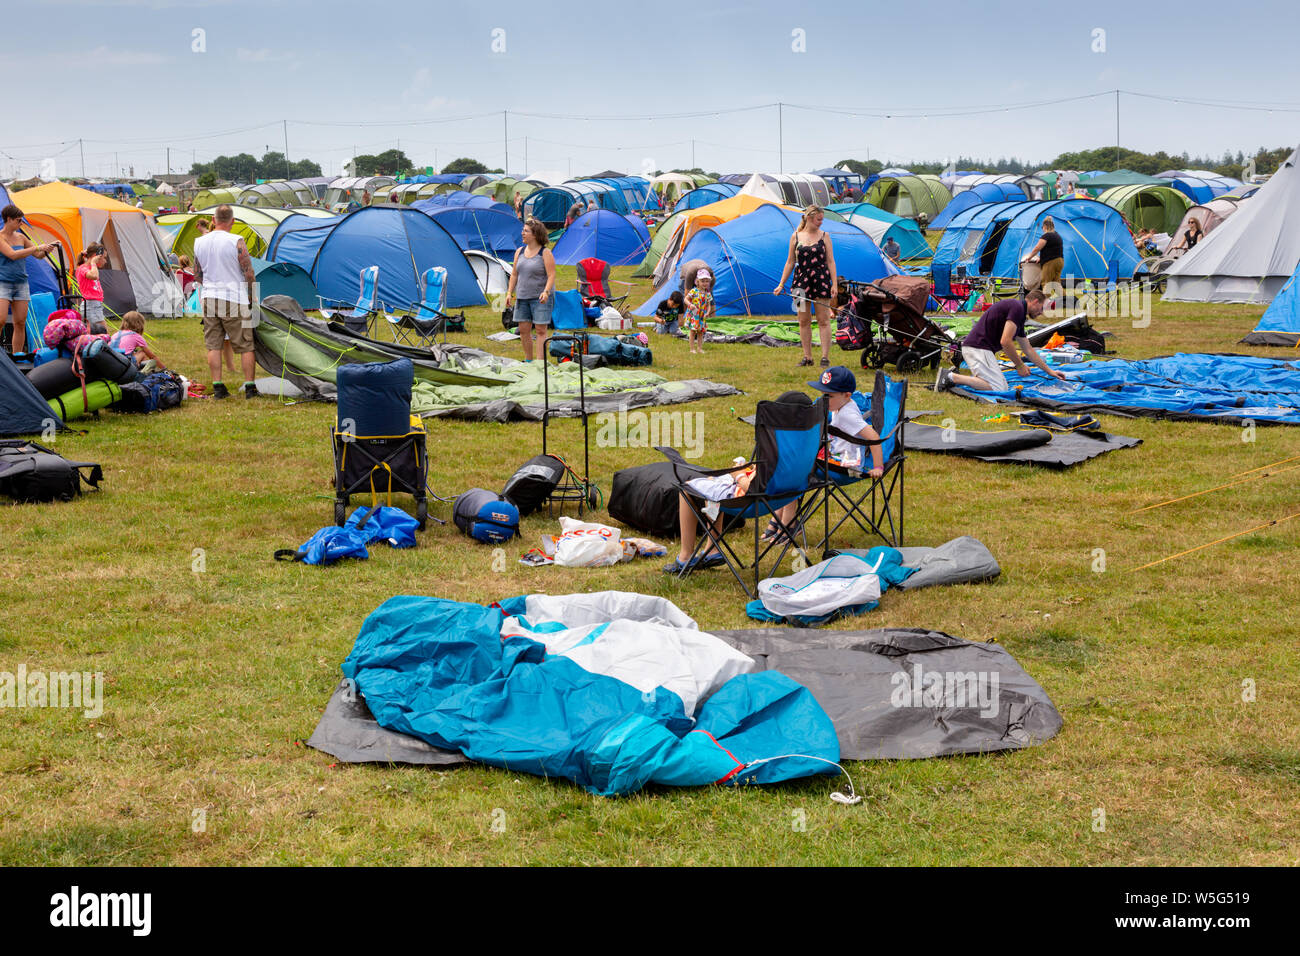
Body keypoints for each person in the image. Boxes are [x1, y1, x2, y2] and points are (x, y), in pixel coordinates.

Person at [662, 390, 808, 574]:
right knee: (711, 486)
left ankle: (685, 557)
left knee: (687, 490)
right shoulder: (806, 445)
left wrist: (739, 474)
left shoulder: (776, 449)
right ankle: (711, 550)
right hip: (783, 497)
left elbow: (752, 489)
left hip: (753, 502)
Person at [935, 290, 1066, 393]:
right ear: (1036, 302)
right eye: (1042, 308)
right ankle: (949, 377)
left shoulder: (1019, 314)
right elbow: (1006, 342)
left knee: (1003, 385)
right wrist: (1019, 365)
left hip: (981, 349)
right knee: (998, 388)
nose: (1041, 313)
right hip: (978, 348)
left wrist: (1050, 372)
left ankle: (954, 376)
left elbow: (1028, 350)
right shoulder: (1017, 308)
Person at [193, 204, 258, 399]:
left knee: (214, 344)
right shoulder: (236, 241)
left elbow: (197, 274)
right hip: (233, 297)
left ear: (213, 220)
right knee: (246, 344)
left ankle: (218, 386)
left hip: (209, 296)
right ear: (233, 221)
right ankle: (250, 387)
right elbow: (249, 272)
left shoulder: (199, 242)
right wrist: (251, 295)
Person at [775, 204, 837, 368]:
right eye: (819, 219)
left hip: (821, 279)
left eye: (822, 219)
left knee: (823, 320)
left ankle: (825, 357)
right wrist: (781, 284)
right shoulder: (795, 236)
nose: (821, 222)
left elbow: (831, 261)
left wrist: (834, 283)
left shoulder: (825, 236)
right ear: (809, 218)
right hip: (800, 282)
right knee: (803, 320)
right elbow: (790, 262)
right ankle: (807, 357)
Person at [807, 366, 884, 478]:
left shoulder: (847, 416)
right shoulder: (841, 405)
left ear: (847, 395)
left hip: (847, 466)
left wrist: (878, 467)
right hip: (838, 455)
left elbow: (874, 437)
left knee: (802, 462)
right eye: (823, 394)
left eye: (829, 396)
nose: (824, 399)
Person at [0, 204, 55, 356]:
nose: (21, 224)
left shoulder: (21, 237)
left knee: (20, 322)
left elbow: (38, 256)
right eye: (18, 220)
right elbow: (12, 254)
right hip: (3, 283)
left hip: (21, 283)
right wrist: (37, 248)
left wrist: (46, 250)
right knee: (1, 320)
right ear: (9, 219)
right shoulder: (0, 237)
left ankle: (17, 356)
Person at [505, 217, 555, 362]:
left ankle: (540, 363)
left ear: (535, 234)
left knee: (540, 331)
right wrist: (509, 293)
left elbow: (551, 275)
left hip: (540, 298)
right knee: (524, 331)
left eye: (526, 231)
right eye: (523, 230)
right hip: (522, 297)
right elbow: (514, 274)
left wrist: (546, 292)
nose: (522, 233)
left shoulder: (545, 253)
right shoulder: (519, 252)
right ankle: (528, 361)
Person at [109, 310, 165, 375]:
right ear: (139, 324)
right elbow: (152, 356)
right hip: (123, 365)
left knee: (134, 353)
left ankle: (139, 371)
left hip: (111, 363)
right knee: (143, 353)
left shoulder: (116, 334)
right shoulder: (136, 336)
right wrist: (164, 369)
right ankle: (143, 376)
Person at [1021, 217, 1064, 292]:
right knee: (1056, 283)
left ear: (1045, 226)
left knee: (1045, 283)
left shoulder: (1046, 236)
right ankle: (1063, 301)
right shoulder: (1057, 235)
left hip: (1050, 262)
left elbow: (1037, 248)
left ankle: (1046, 302)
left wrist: (1029, 257)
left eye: (1042, 227)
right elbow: (1053, 250)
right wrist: (1041, 258)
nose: (1042, 229)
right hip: (1060, 261)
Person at [75, 243, 108, 333]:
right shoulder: (83, 268)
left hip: (95, 305)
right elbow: (94, 276)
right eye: (104, 258)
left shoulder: (90, 268)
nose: (105, 261)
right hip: (91, 305)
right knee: (103, 334)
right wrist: (93, 262)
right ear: (95, 256)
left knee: (100, 334)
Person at [684, 268, 714, 354]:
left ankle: (700, 348)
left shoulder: (708, 293)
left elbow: (708, 305)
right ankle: (692, 348)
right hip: (694, 315)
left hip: (702, 316)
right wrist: (690, 305)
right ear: (698, 282)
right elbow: (685, 299)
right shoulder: (694, 291)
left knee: (701, 332)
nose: (705, 283)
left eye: (707, 281)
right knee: (693, 332)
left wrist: (707, 313)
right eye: (702, 281)